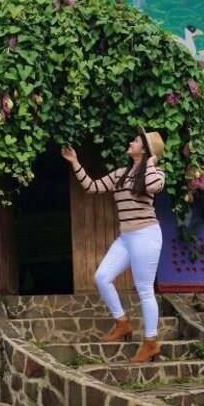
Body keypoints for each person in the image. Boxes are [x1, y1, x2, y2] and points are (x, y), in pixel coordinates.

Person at [61, 126, 166, 363]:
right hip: (126, 237)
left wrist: (150, 162)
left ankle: (150, 342)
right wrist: (75, 162)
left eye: (136, 141)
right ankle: (122, 322)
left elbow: (151, 186)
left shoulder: (156, 174)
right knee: (102, 277)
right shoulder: (120, 174)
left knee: (144, 289)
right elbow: (92, 187)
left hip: (146, 235)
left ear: (146, 150)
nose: (131, 143)